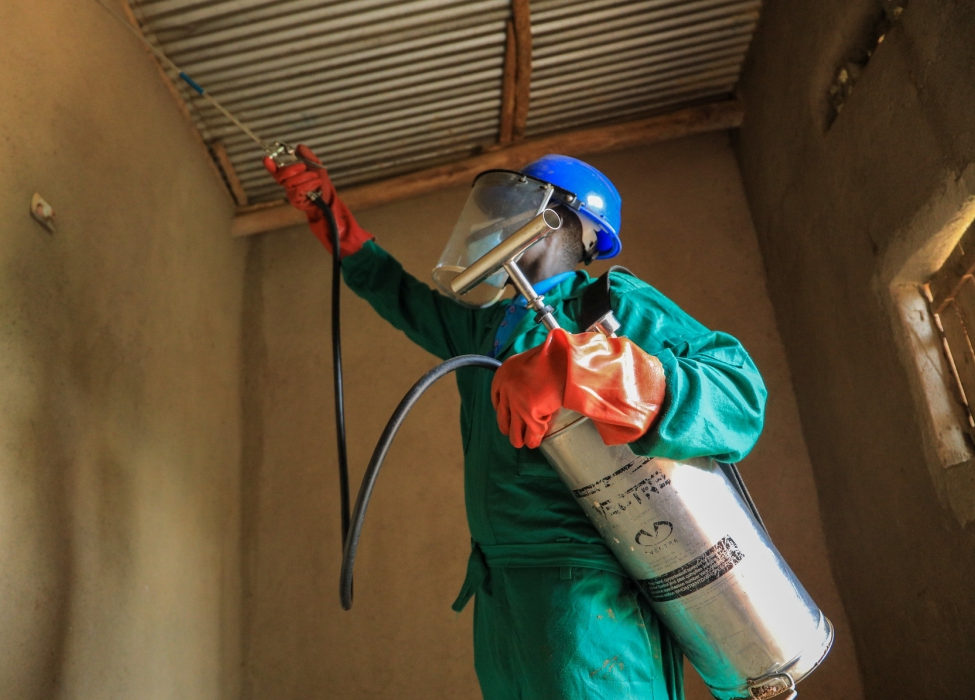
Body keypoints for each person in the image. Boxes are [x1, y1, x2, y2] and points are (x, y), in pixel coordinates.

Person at [265, 146, 767, 700]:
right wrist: (328, 215)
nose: (499, 223)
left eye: (516, 209)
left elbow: (739, 395)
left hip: (586, 595)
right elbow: (398, 293)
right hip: (501, 593)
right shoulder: (488, 329)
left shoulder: (607, 303)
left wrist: (582, 368)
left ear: (568, 227)